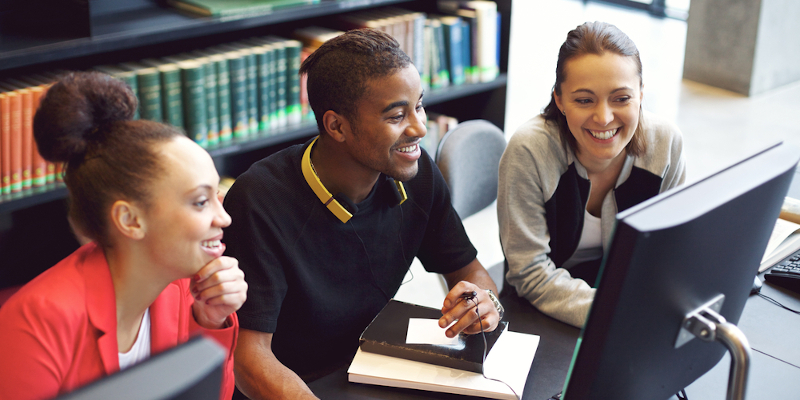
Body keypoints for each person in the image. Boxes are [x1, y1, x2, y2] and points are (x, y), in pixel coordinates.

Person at [224, 28, 503, 399]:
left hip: (373, 369)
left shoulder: (417, 176)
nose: (419, 128)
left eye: (418, 105)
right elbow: (248, 358)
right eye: (396, 116)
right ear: (336, 126)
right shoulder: (258, 199)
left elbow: (469, 271)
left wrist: (483, 302)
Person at [0, 72, 247, 400]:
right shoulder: (35, 323)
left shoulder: (185, 292)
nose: (224, 217)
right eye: (201, 201)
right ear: (130, 220)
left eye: (218, 196)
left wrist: (210, 322)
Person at [497, 21, 686, 328]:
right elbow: (529, 273)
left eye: (621, 98)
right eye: (584, 100)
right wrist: (618, 312)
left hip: (626, 300)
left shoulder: (665, 144)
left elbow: (670, 249)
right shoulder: (529, 150)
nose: (604, 118)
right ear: (559, 99)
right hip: (540, 310)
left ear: (640, 93)